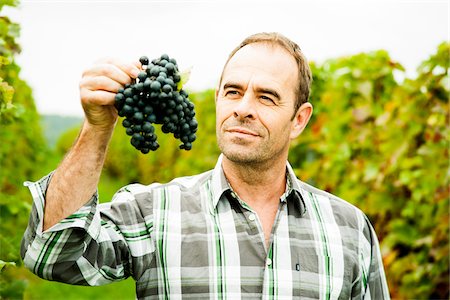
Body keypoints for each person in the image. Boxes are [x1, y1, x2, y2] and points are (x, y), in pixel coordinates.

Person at [21, 32, 390, 299]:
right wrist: (98, 127)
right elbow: (51, 255)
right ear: (217, 100)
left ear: (299, 119)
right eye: (233, 91)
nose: (243, 107)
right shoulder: (154, 212)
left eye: (266, 96)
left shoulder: (350, 229)